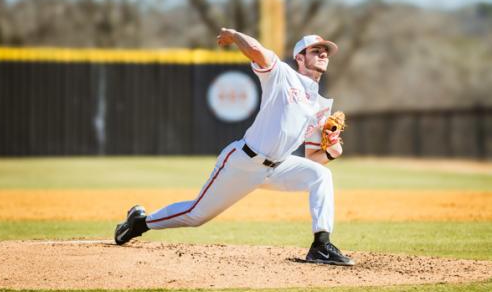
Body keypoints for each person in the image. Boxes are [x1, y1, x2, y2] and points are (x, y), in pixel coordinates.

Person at [114, 28, 354, 266]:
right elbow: (257, 51)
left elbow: (313, 158)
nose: (323, 54)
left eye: (325, 52)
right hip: (245, 161)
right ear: (300, 58)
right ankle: (140, 223)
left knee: (321, 175)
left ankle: (321, 245)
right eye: (316, 50)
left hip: (279, 166)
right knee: (196, 215)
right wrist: (235, 35)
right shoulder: (282, 75)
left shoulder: (321, 105)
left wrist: (332, 151)